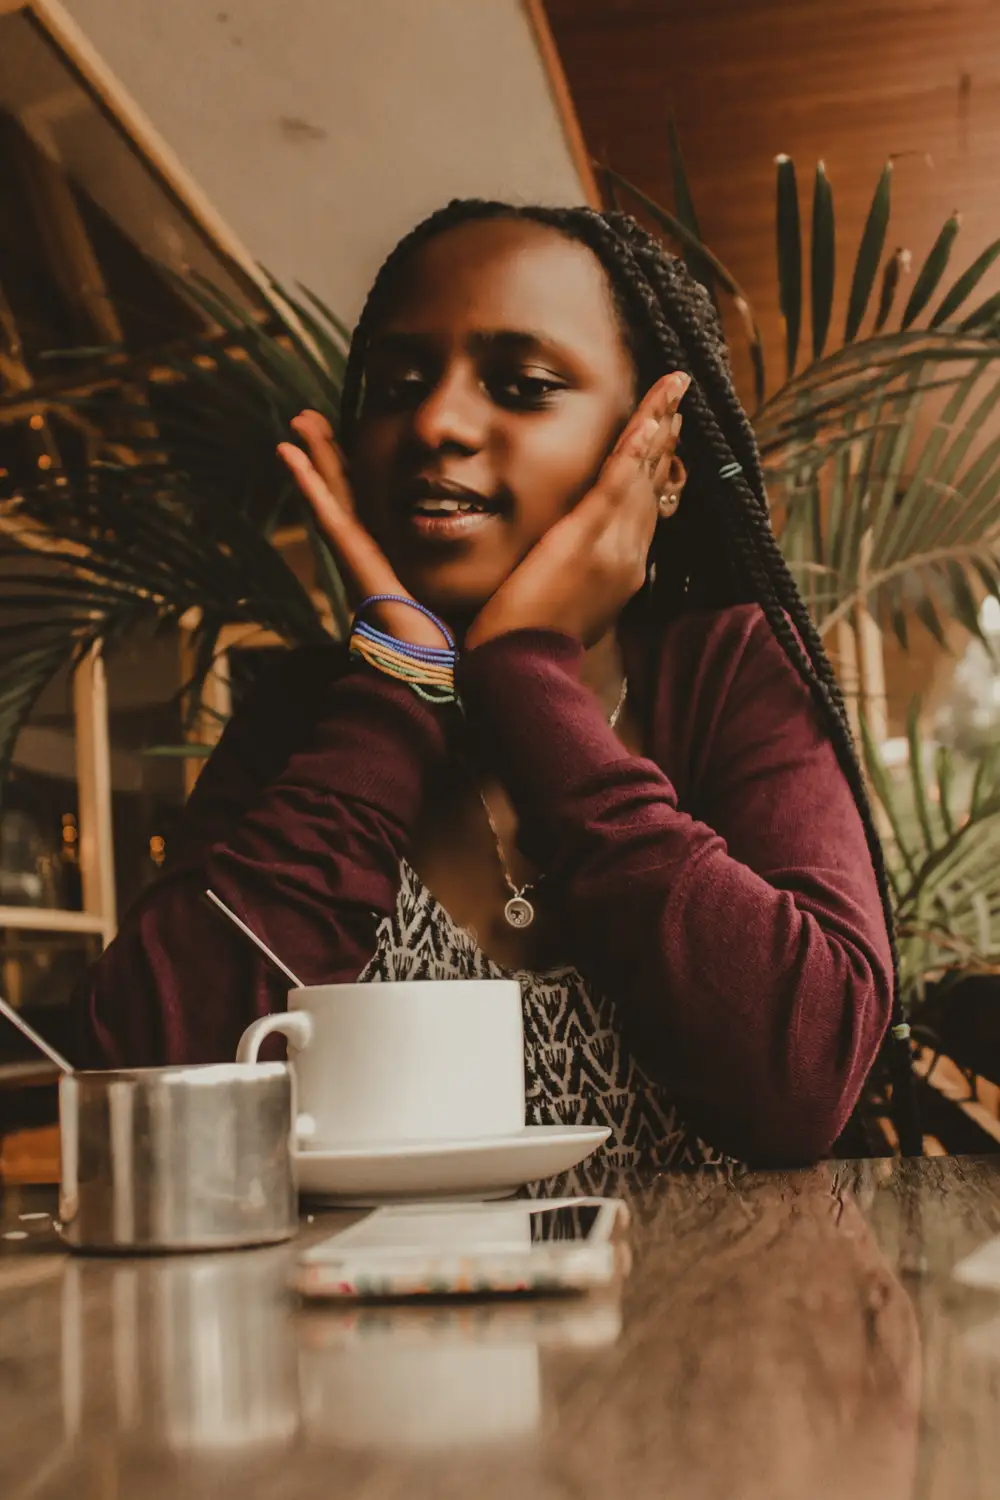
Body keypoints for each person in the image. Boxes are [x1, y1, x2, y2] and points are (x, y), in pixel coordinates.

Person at [70, 197, 918, 1170]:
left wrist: (525, 676)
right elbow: (145, 1092)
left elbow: (801, 1078)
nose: (435, 421)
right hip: (354, 1325)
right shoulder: (303, 722)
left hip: (713, 1323)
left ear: (659, 467)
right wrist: (398, 689)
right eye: (397, 386)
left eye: (520, 384)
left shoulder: (730, 674)